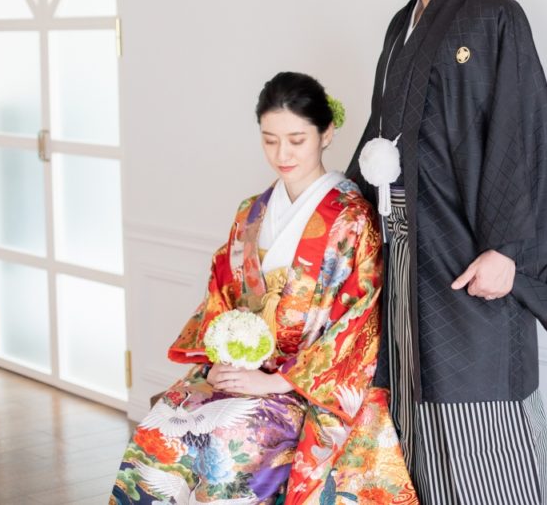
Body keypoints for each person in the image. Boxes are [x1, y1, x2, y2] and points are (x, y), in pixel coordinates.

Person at [347, 0, 547, 505]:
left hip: (470, 269)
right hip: (408, 270)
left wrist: (509, 253)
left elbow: (520, 138)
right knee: (414, 439)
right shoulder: (401, 28)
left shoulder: (495, 17)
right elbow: (380, 140)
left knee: (483, 440)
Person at [111, 72, 417, 505]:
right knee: (157, 435)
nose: (282, 154)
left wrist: (278, 383)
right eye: (270, 140)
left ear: (327, 133)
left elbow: (358, 322)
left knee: (227, 442)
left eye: (296, 140)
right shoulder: (251, 212)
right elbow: (221, 294)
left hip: (309, 385)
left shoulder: (351, 218)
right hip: (246, 368)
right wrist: (221, 359)